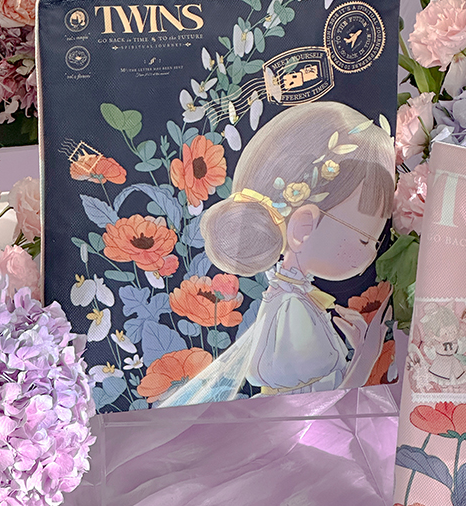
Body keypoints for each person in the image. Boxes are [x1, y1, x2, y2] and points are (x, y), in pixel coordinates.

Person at [159, 101, 395, 406]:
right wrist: (367, 353)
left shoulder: (289, 297)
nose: (371, 255)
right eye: (365, 240)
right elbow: (321, 410)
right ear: (303, 227)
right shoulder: (291, 310)